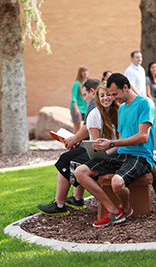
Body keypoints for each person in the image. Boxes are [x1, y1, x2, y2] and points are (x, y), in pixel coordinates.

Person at [75, 73, 156, 227]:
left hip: (140, 156)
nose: (113, 98)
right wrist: (104, 148)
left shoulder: (145, 104)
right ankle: (113, 211)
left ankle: (125, 208)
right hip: (121, 155)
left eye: (115, 94)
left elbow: (143, 137)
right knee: (80, 172)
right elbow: (120, 141)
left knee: (117, 182)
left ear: (125, 87)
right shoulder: (122, 109)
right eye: (110, 94)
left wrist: (111, 143)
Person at [37, 79, 101, 216]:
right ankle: (77, 199)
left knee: (65, 159)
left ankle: (59, 205)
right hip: (96, 145)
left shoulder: (95, 102)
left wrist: (74, 139)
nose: (84, 99)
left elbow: (86, 127)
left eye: (85, 95)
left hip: (99, 148)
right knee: (75, 156)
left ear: (92, 91)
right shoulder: (99, 103)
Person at [70, 66, 89, 134]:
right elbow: (73, 98)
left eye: (86, 71)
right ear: (80, 73)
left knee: (87, 127)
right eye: (83, 71)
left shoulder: (88, 84)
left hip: (85, 109)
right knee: (77, 128)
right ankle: (73, 143)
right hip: (77, 108)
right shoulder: (76, 83)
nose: (85, 73)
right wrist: (76, 109)